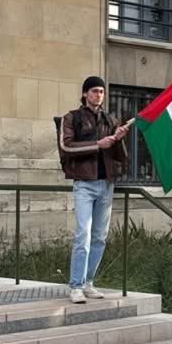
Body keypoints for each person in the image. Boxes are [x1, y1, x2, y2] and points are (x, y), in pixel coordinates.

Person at [59, 76, 131, 304]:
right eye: (94, 91)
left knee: (100, 237)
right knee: (83, 236)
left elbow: (121, 157)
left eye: (101, 91)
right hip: (84, 184)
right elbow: (65, 146)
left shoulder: (111, 119)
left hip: (106, 185)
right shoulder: (71, 118)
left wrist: (119, 139)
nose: (98, 95)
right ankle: (75, 286)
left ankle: (88, 282)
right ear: (85, 94)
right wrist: (97, 145)